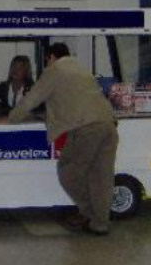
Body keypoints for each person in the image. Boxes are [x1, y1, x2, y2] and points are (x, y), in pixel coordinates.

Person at [8, 42, 118, 236]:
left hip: (85, 129)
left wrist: (11, 118)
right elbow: (74, 100)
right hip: (108, 126)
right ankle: (100, 224)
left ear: (51, 57)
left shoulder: (55, 70)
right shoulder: (82, 70)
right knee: (101, 178)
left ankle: (89, 213)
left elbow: (33, 99)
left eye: (46, 60)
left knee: (68, 172)